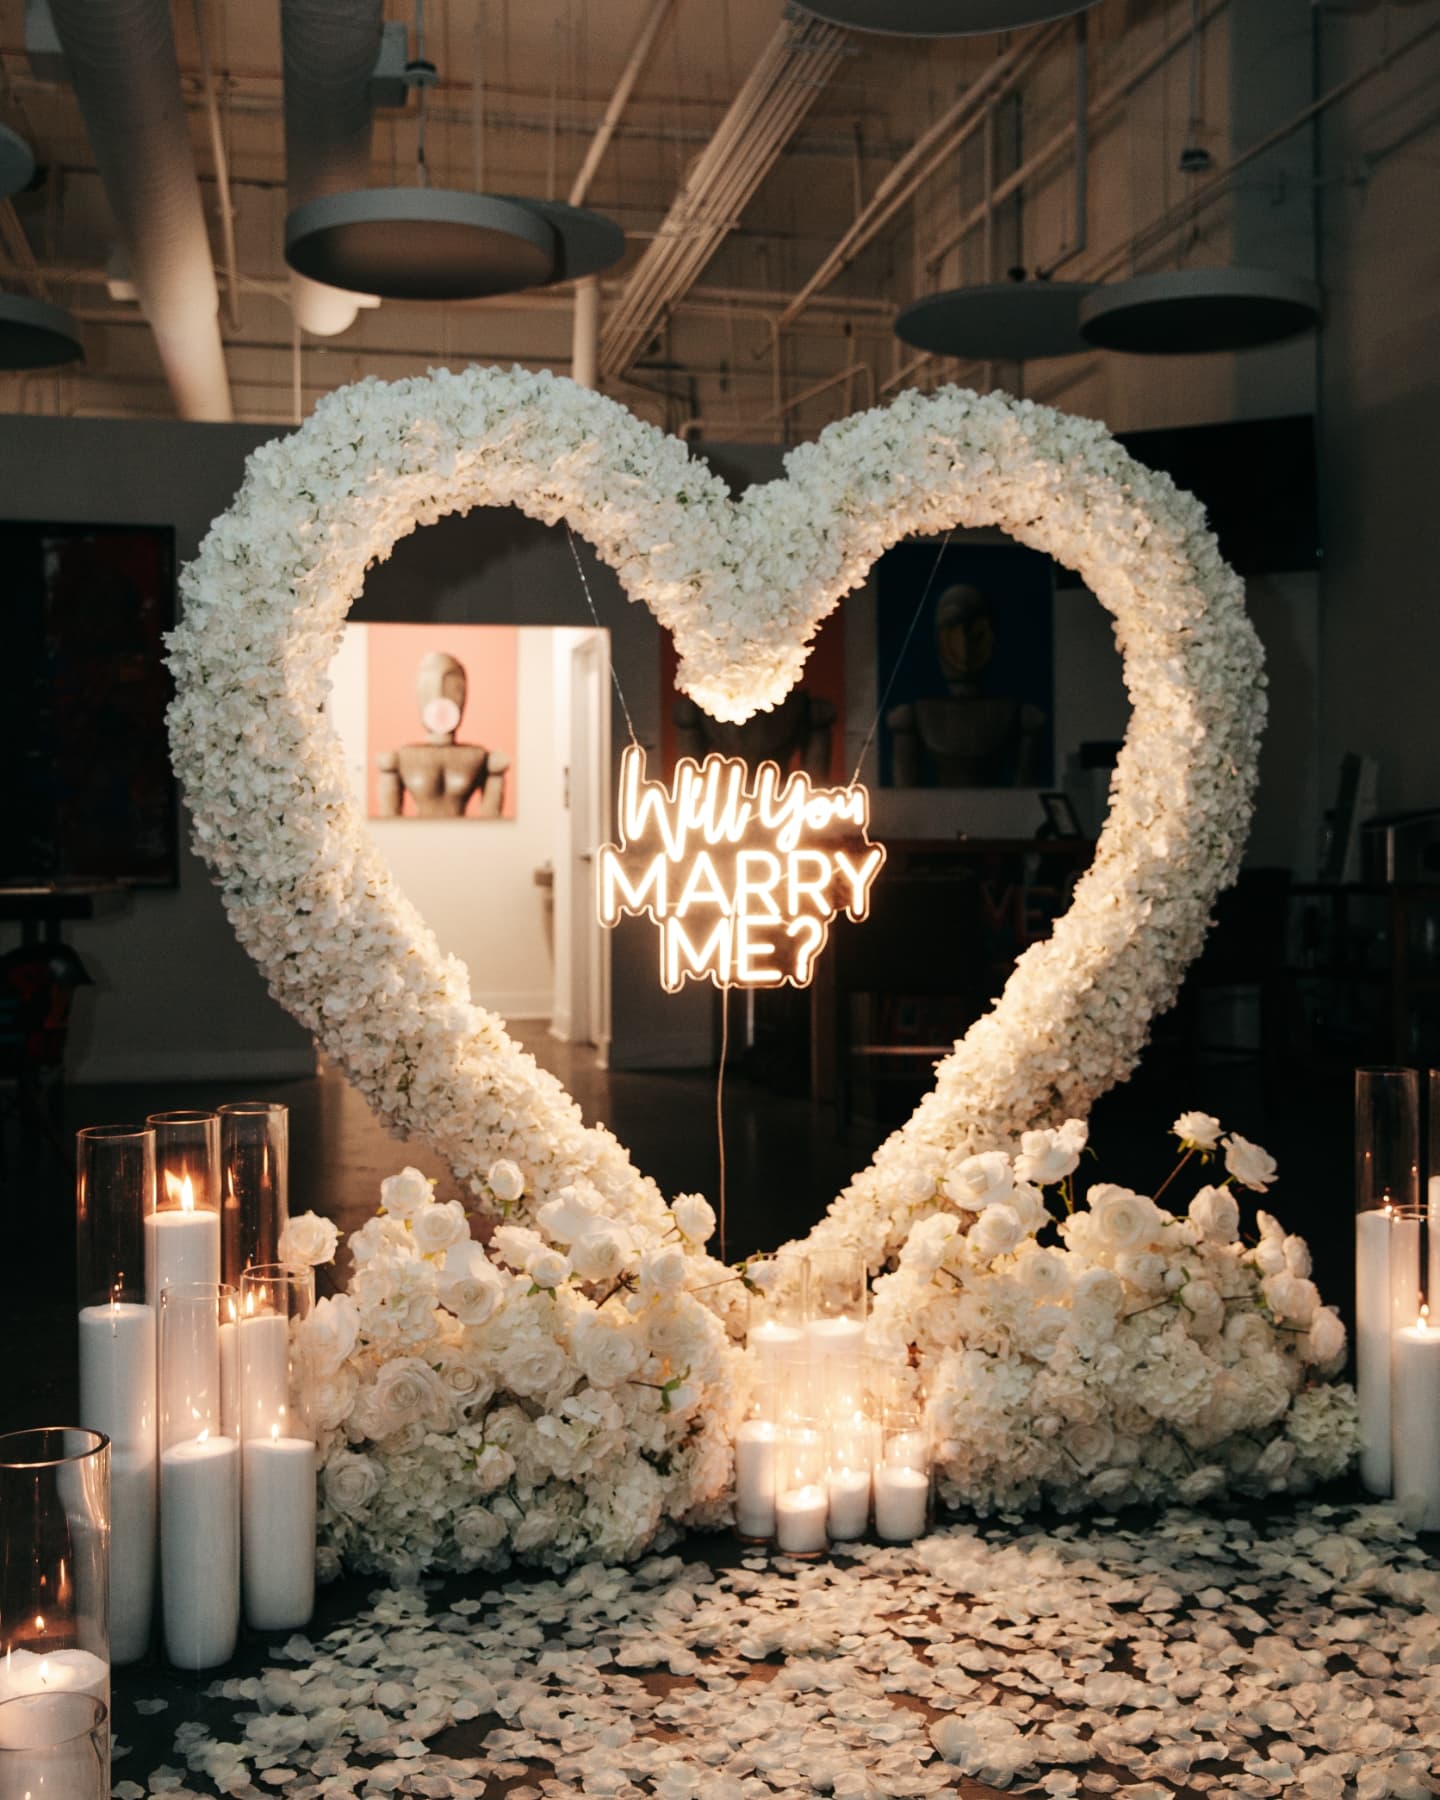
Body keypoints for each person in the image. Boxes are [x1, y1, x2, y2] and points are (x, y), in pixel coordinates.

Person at [886, 582, 1046, 787]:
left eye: (976, 630)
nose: (963, 643)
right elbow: (905, 791)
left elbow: (1026, 789)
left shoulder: (1014, 715)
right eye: (951, 630)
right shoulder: (917, 716)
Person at [375, 650, 510, 818]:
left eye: (453, 686)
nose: (440, 694)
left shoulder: (479, 757)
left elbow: (492, 822)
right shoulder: (401, 758)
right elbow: (390, 821)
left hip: (465, 839)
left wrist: (495, 775)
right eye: (427, 685)